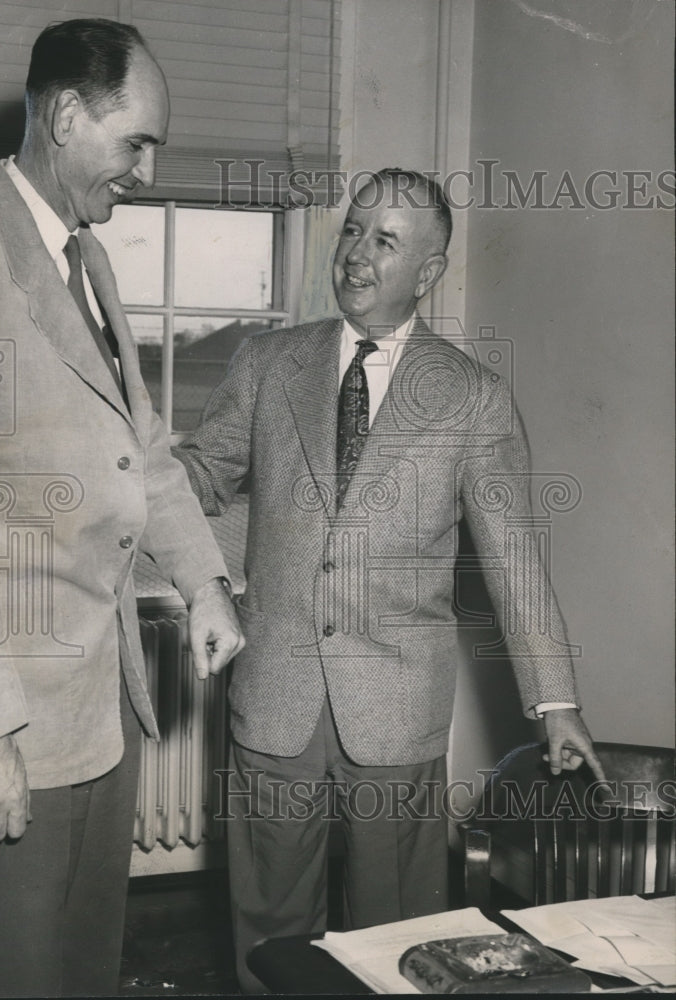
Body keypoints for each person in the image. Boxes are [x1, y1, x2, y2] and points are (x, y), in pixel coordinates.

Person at [175, 168, 605, 992]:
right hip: (275, 691)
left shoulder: (472, 397)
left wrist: (557, 702)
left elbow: (514, 555)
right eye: (351, 231)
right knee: (268, 926)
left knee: (400, 931)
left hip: (397, 706)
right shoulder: (270, 363)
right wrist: (134, 487)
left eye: (385, 241)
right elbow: (200, 475)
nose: (356, 256)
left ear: (430, 272)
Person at [0, 18, 243, 998]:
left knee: (79, 975)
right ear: (66, 115)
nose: (147, 170)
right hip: (9, 725)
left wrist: (202, 582)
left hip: (99, 716)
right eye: (135, 142)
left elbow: (139, 448)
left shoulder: (86, 257)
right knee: (5, 976)